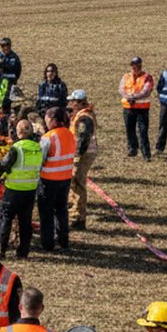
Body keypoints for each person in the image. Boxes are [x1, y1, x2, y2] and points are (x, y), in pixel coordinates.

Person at [0, 119, 42, 259]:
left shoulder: (17, 148)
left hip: (14, 189)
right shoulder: (37, 148)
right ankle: (23, 251)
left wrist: (2, 171)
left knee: (5, 219)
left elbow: (5, 164)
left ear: (18, 132)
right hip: (30, 190)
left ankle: (1, 250)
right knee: (25, 222)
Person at [37, 107, 76, 252]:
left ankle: (47, 243)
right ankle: (63, 240)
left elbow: (40, 160)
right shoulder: (70, 134)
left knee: (46, 213)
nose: (45, 121)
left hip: (48, 180)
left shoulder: (48, 138)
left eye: (47, 118)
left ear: (53, 120)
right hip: (65, 178)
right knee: (61, 210)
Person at [66, 90, 97, 230]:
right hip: (82, 153)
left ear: (78, 103)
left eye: (72, 102)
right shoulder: (80, 115)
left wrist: (78, 154)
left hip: (84, 154)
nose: (70, 104)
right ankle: (75, 211)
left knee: (78, 182)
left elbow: (84, 138)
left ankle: (78, 216)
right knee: (75, 182)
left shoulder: (84, 117)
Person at [120, 56, 155, 160]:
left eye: (137, 66)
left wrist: (133, 97)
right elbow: (121, 89)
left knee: (143, 131)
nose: (135, 68)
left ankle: (146, 153)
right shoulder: (126, 76)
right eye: (133, 66)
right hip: (128, 107)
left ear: (141, 65)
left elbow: (146, 91)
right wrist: (128, 97)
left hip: (142, 108)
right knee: (129, 129)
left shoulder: (147, 77)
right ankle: (132, 149)